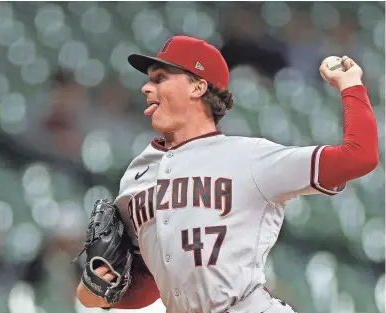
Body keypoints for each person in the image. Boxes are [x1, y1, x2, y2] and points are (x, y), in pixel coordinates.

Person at [76, 35, 378, 312]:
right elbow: (154, 284)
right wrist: (100, 288)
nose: (146, 87)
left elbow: (359, 157)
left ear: (198, 86)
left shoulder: (250, 157)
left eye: (160, 78)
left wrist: (351, 86)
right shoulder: (136, 175)